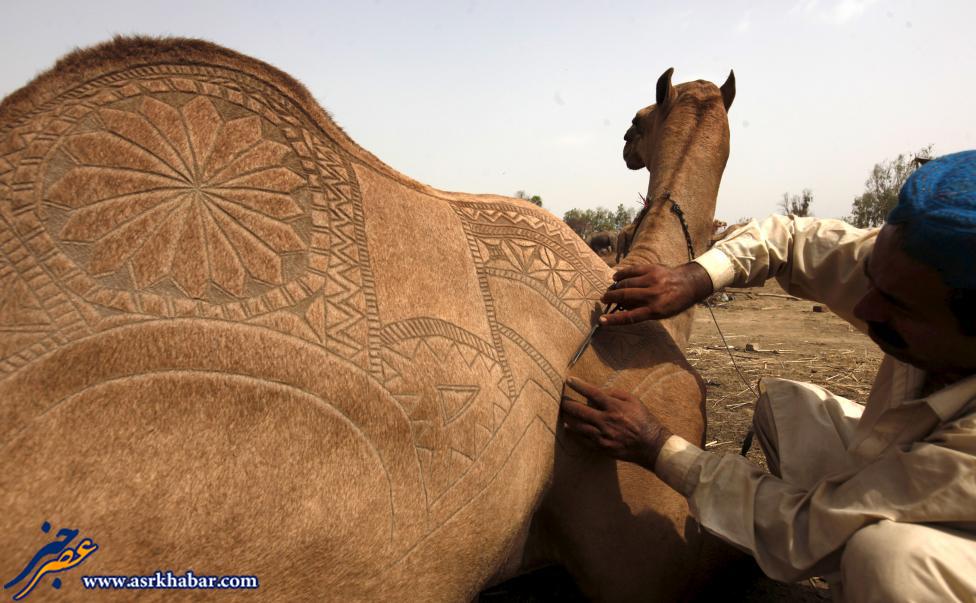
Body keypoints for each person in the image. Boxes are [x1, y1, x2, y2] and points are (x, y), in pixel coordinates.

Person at [560, 150, 976, 602]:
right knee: (786, 407)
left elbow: (808, 527)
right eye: (871, 277)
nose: (863, 308)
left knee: (888, 559)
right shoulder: (916, 264)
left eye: (899, 307)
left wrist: (656, 445)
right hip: (909, 471)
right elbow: (793, 238)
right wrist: (698, 276)